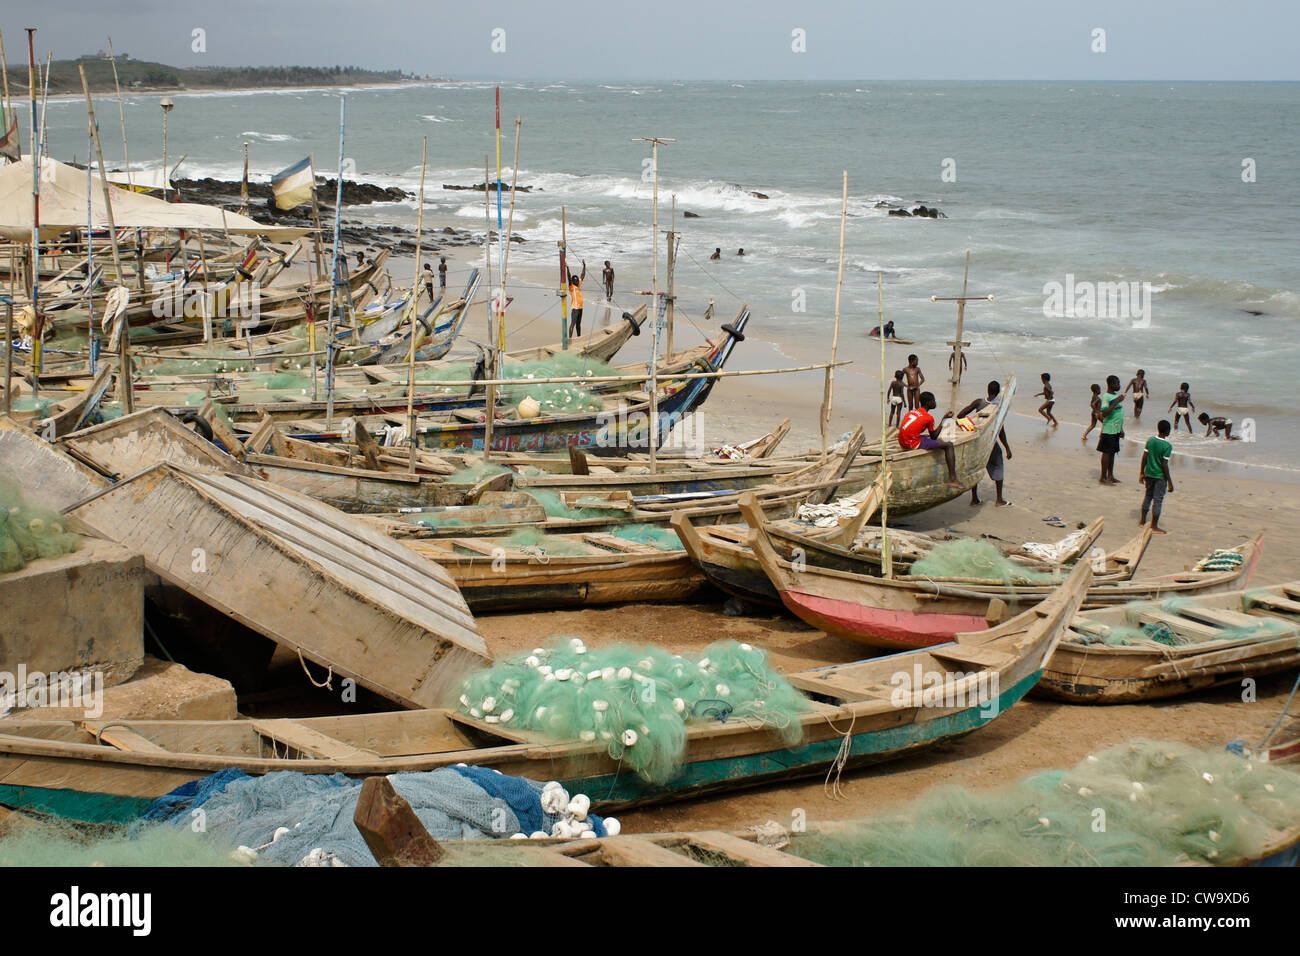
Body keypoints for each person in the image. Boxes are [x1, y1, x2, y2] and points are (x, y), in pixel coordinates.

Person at [959, 380, 1012, 506]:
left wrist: (971, 429)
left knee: (976, 468)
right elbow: (1000, 431)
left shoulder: (979, 402)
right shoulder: (997, 407)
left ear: (987, 390)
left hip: (977, 443)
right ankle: (999, 500)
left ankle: (974, 498)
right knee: (998, 466)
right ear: (998, 392)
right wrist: (1007, 448)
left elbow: (961, 415)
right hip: (990, 443)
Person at [898, 392, 961, 489]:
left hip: (902, 441)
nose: (935, 402)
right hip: (911, 443)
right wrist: (944, 419)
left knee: (925, 437)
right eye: (933, 401)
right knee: (949, 445)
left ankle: (953, 479)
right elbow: (934, 436)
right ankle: (953, 479)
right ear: (928, 403)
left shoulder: (912, 412)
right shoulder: (928, 418)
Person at [1139, 419, 1174, 534]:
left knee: (1148, 496)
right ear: (1167, 431)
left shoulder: (1150, 441)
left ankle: (1142, 521)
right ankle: (1154, 526)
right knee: (1158, 500)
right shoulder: (1167, 446)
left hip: (1149, 473)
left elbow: (1144, 457)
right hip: (1160, 476)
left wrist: (1141, 472)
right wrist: (1169, 481)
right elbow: (1165, 465)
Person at [1097, 374, 1125, 485]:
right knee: (1107, 453)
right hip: (1108, 429)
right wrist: (1117, 401)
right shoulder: (1106, 397)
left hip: (1116, 430)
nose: (1119, 385)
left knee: (1113, 453)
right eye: (1117, 383)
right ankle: (1103, 477)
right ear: (1111, 384)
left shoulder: (1115, 395)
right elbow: (1104, 413)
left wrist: (1121, 429)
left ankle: (1110, 476)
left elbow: (1118, 414)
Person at [567, 260, 587, 338]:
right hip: (575, 308)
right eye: (575, 280)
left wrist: (584, 266)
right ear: (572, 281)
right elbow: (569, 277)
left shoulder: (578, 285)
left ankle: (579, 337)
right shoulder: (571, 287)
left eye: (577, 280)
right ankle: (570, 339)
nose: (577, 281)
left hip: (580, 308)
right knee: (573, 324)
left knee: (578, 324)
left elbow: (582, 275)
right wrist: (567, 268)